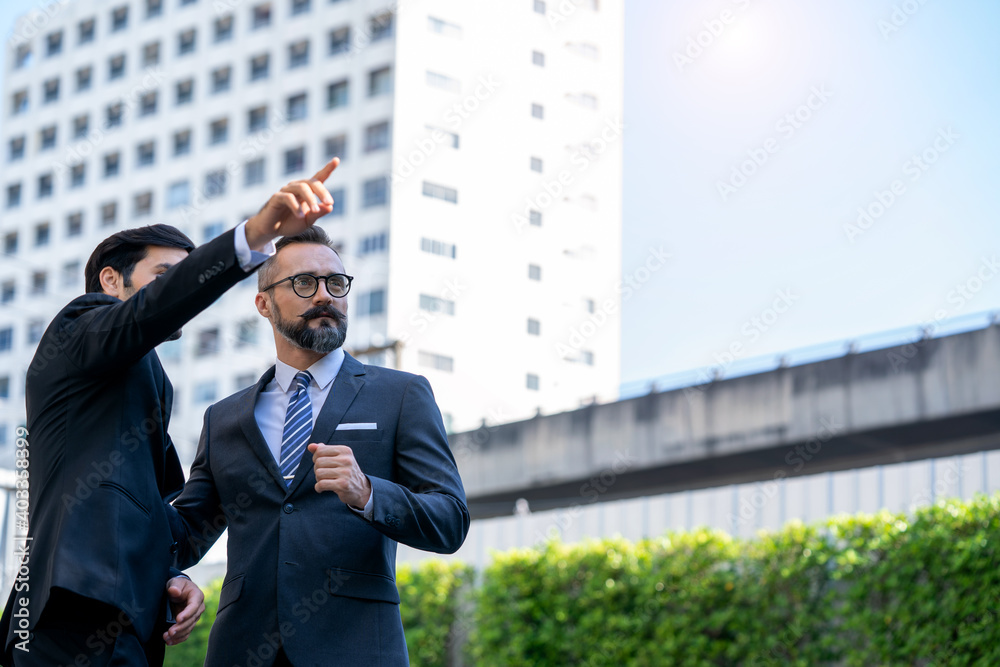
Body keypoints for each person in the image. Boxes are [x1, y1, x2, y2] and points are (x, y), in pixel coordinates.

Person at [0, 159, 342, 667]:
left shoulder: (146, 374)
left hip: (126, 617)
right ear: (110, 280)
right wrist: (255, 234)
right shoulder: (80, 326)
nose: (175, 290)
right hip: (77, 603)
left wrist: (175, 571)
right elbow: (150, 311)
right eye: (165, 276)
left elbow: (163, 519)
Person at [167, 226, 470, 667]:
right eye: (305, 283)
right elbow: (185, 535)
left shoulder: (401, 395)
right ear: (263, 303)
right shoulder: (224, 418)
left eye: (336, 283)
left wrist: (367, 492)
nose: (325, 295)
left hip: (358, 648)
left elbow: (450, 521)